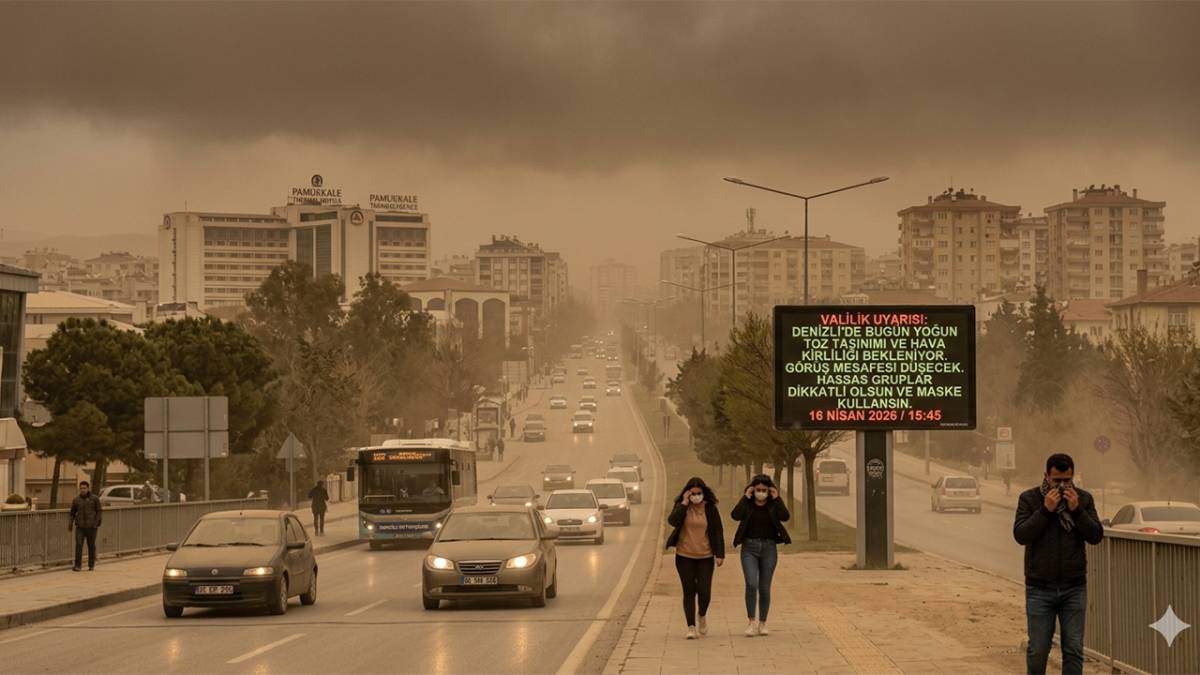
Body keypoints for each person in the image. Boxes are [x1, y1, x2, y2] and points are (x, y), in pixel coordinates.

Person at [1013, 453, 1104, 675]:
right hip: (1039, 588)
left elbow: (1095, 535)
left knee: (1073, 649)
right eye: (1057, 481)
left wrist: (1077, 510)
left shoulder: (1084, 499)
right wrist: (1045, 510)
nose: (1062, 486)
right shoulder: (1029, 499)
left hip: (1074, 587)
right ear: (1046, 476)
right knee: (1038, 649)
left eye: (1067, 480)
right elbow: (1021, 535)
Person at [731, 474, 791, 637]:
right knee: (751, 584)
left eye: (764, 490)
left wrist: (777, 498)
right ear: (752, 490)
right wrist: (745, 497)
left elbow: (785, 516)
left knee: (764, 587)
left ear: (769, 491)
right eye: (758, 490)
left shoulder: (773, 505)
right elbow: (735, 515)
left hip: (769, 548)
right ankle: (751, 621)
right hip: (749, 548)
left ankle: (762, 623)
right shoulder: (748, 504)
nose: (761, 493)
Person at [665, 477, 724, 640]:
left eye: (699, 493)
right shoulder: (683, 507)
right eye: (693, 494)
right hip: (684, 556)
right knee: (689, 591)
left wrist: (720, 554)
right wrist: (684, 503)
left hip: (705, 556)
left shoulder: (710, 509)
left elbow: (718, 531)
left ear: (704, 493)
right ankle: (690, 626)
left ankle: (702, 615)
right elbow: (672, 521)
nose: (696, 496)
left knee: (705, 591)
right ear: (688, 493)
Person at [68, 481, 102, 571]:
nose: (82, 490)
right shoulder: (76, 500)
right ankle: (77, 566)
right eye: (81, 488)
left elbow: (99, 511)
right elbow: (72, 513)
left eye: (84, 488)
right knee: (78, 545)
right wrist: (70, 524)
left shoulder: (94, 499)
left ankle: (91, 565)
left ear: (88, 488)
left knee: (91, 545)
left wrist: (96, 523)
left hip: (91, 527)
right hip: (80, 527)